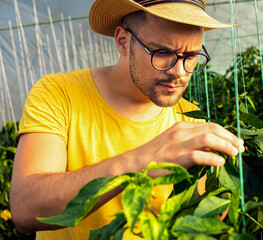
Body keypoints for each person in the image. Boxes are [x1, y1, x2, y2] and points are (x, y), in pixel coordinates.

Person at [10, 0, 245, 239]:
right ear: (123, 41)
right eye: (162, 52)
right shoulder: (59, 93)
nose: (180, 72)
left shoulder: (192, 124)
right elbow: (25, 209)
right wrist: (143, 159)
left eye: (191, 55)